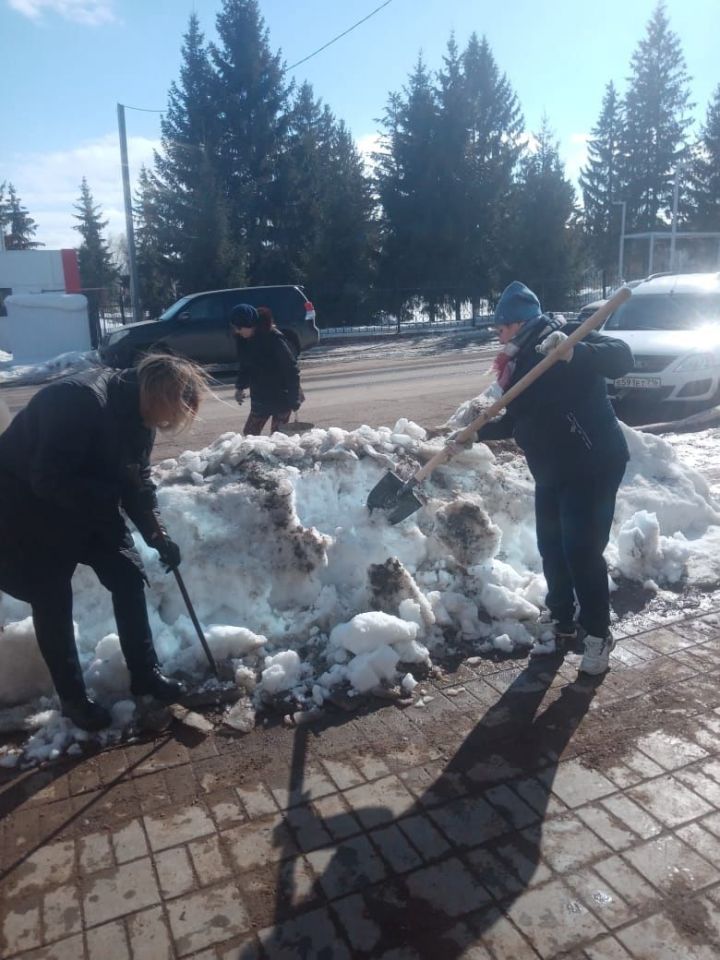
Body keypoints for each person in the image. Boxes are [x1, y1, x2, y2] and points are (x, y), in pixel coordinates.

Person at [0, 354, 207, 730]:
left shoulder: (140, 414)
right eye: (164, 416)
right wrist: (113, 490)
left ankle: (146, 675)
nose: (160, 426)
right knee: (53, 596)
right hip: (22, 509)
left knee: (128, 576)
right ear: (155, 393)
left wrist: (158, 535)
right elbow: (48, 478)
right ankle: (75, 701)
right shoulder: (75, 400)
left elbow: (137, 481)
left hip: (83, 502)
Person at [458, 281, 633, 675]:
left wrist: (574, 351)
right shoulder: (517, 364)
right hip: (553, 467)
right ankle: (561, 622)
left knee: (581, 551)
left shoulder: (564, 335)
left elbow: (622, 358)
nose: (497, 336)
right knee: (551, 546)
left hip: (592, 463)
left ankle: (597, 635)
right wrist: (472, 434)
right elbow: (517, 418)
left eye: (501, 328)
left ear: (518, 323)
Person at [230, 304, 303, 435]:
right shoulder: (244, 341)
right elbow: (245, 366)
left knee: (278, 438)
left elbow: (291, 368)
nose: (237, 331)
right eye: (235, 328)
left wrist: (294, 397)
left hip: (282, 397)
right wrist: (240, 387)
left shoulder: (274, 338)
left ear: (250, 324)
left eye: (239, 327)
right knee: (249, 435)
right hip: (260, 398)